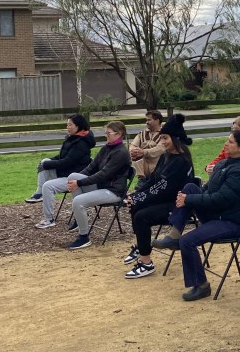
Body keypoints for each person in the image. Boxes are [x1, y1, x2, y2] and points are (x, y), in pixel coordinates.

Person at [158, 130, 240, 300]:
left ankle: (202, 286)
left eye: (230, 142)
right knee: (191, 187)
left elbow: (220, 199)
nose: (226, 144)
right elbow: (208, 189)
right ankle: (174, 235)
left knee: (187, 241)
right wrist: (188, 197)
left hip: (230, 222)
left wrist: (189, 200)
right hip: (216, 215)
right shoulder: (224, 164)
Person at [123, 115, 195, 279]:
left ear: (176, 139)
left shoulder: (182, 161)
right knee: (136, 206)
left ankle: (146, 263)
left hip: (178, 207)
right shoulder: (165, 156)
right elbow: (153, 180)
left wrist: (139, 198)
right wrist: (135, 196)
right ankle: (142, 247)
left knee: (141, 216)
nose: (163, 141)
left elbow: (164, 188)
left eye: (165, 138)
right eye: (162, 138)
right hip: (164, 199)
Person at [59, 121, 132, 249]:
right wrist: (76, 180)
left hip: (113, 191)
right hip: (102, 185)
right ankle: (81, 216)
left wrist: (79, 183)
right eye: (106, 132)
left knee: (78, 201)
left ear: (119, 134)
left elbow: (104, 174)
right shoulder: (107, 147)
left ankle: (84, 237)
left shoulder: (121, 152)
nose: (106, 135)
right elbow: (91, 167)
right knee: (72, 176)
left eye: (108, 133)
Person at [26, 114, 95, 207]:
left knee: (47, 185)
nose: (67, 127)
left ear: (78, 126)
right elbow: (61, 156)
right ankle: (39, 193)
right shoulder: (71, 138)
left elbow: (67, 162)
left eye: (70, 125)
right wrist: (46, 162)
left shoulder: (81, 143)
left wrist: (46, 165)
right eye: (67, 125)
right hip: (65, 172)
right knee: (44, 161)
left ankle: (47, 213)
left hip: (73, 177)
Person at [129, 110, 164, 179]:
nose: (146, 122)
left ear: (157, 121)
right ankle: (141, 178)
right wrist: (133, 150)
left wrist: (143, 152)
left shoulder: (164, 134)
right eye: (146, 120)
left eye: (149, 120)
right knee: (134, 155)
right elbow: (133, 145)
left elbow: (160, 149)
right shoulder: (142, 133)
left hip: (158, 167)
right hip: (143, 168)